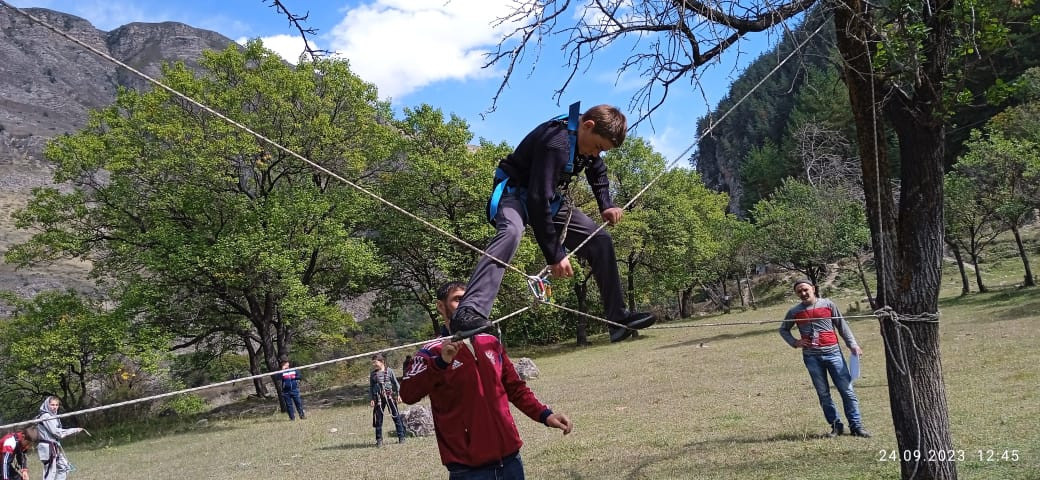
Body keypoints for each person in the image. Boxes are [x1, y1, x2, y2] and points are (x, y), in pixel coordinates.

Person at [450, 104, 655, 342]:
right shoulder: (556, 142)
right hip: (514, 194)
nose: (596, 154)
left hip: (547, 199)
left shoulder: (585, 141)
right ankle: (468, 312)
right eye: (598, 147)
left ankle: (617, 320)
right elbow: (537, 201)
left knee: (600, 240)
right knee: (511, 233)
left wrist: (606, 205)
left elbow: (597, 170)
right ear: (588, 126)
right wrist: (555, 254)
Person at [401, 281, 573, 479]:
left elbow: (515, 388)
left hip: (510, 460)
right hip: (468, 469)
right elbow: (408, 393)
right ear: (441, 306)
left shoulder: (490, 342)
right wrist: (441, 362)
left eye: (468, 299)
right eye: (457, 300)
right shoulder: (430, 352)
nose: (465, 305)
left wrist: (545, 415)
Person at [779, 280, 871, 438]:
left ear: (813, 289)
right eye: (799, 291)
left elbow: (841, 325)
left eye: (805, 289)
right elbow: (783, 329)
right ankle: (836, 426)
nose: (803, 293)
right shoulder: (794, 311)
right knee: (823, 393)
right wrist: (795, 342)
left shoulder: (828, 304)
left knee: (847, 390)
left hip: (834, 354)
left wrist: (853, 345)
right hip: (811, 357)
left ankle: (856, 426)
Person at [35, 396, 86, 480]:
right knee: (50, 473)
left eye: (56, 405)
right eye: (52, 405)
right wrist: (73, 430)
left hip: (54, 447)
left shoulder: (53, 416)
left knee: (64, 467)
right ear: (47, 405)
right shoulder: (45, 416)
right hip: (47, 448)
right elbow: (56, 432)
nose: (55, 407)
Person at [369, 353, 407, 447]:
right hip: (378, 399)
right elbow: (371, 387)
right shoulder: (373, 374)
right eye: (373, 363)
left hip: (390, 397)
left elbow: (396, 383)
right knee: (378, 419)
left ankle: (401, 437)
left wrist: (399, 394)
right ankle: (379, 440)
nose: (374, 364)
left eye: (375, 362)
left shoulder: (389, 371)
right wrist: (372, 399)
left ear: (382, 361)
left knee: (396, 416)